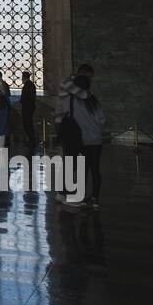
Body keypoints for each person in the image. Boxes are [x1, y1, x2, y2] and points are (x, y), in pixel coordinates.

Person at [55, 72, 106, 207]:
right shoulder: (94, 100)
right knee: (95, 170)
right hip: (96, 140)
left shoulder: (69, 101)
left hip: (81, 140)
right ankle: (95, 199)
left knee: (80, 169)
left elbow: (60, 115)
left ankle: (77, 195)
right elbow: (102, 120)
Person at [20, 70, 37, 149]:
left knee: (27, 124)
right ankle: (32, 140)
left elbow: (24, 98)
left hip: (27, 108)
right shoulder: (31, 85)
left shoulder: (27, 86)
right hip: (30, 107)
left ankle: (32, 140)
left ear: (23, 77)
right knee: (29, 124)